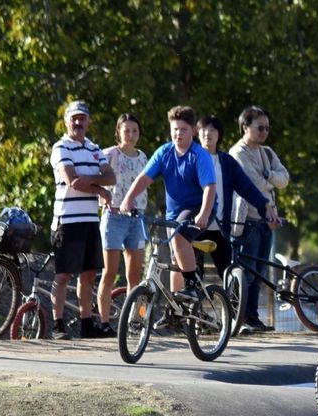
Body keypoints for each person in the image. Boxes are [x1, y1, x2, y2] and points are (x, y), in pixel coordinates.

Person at [119, 105, 215, 301]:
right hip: (174, 214)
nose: (178, 134)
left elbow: (209, 188)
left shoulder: (199, 155)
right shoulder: (164, 152)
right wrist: (128, 199)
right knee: (174, 258)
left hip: (199, 208)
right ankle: (175, 310)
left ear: (193, 132)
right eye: (174, 129)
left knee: (179, 238)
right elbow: (144, 178)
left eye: (183, 129)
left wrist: (204, 213)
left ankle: (191, 285)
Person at [49, 100, 115, 340]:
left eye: (82, 118)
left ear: (88, 122)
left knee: (88, 274)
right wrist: (100, 189)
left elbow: (112, 177)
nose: (78, 122)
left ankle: (87, 325)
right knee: (64, 274)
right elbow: (70, 180)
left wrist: (92, 181)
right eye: (74, 118)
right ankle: (58, 325)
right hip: (67, 220)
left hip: (89, 220)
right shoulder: (60, 147)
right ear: (66, 121)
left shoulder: (94, 148)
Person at [228, 105, 289, 332]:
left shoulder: (268, 153)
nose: (264, 132)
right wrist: (270, 180)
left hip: (266, 219)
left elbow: (284, 180)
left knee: (259, 272)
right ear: (245, 127)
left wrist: (269, 175)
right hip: (247, 220)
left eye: (267, 128)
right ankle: (237, 317)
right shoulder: (238, 153)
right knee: (245, 271)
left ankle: (252, 317)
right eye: (259, 127)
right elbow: (253, 183)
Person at [198, 115, 279, 280]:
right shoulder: (191, 158)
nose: (208, 134)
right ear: (197, 133)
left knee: (231, 277)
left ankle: (230, 306)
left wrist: (264, 205)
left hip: (220, 228)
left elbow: (246, 186)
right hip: (194, 227)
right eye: (204, 130)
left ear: (219, 134)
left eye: (212, 130)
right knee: (193, 277)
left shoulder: (226, 162)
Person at [96, 113, 148, 335]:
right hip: (114, 216)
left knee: (135, 275)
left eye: (134, 131)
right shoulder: (109, 154)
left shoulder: (142, 156)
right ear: (118, 131)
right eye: (126, 130)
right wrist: (102, 195)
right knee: (110, 272)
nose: (130, 135)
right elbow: (96, 177)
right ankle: (105, 322)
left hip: (137, 218)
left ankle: (134, 321)